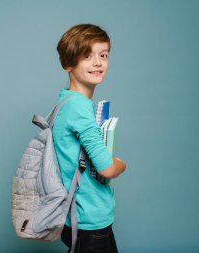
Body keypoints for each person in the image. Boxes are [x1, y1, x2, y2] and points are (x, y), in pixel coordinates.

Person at [52, 24, 127, 253]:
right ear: (68, 64)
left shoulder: (66, 102)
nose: (98, 62)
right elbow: (107, 169)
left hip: (72, 216)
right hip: (89, 219)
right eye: (87, 56)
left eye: (103, 55)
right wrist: (121, 164)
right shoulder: (80, 110)